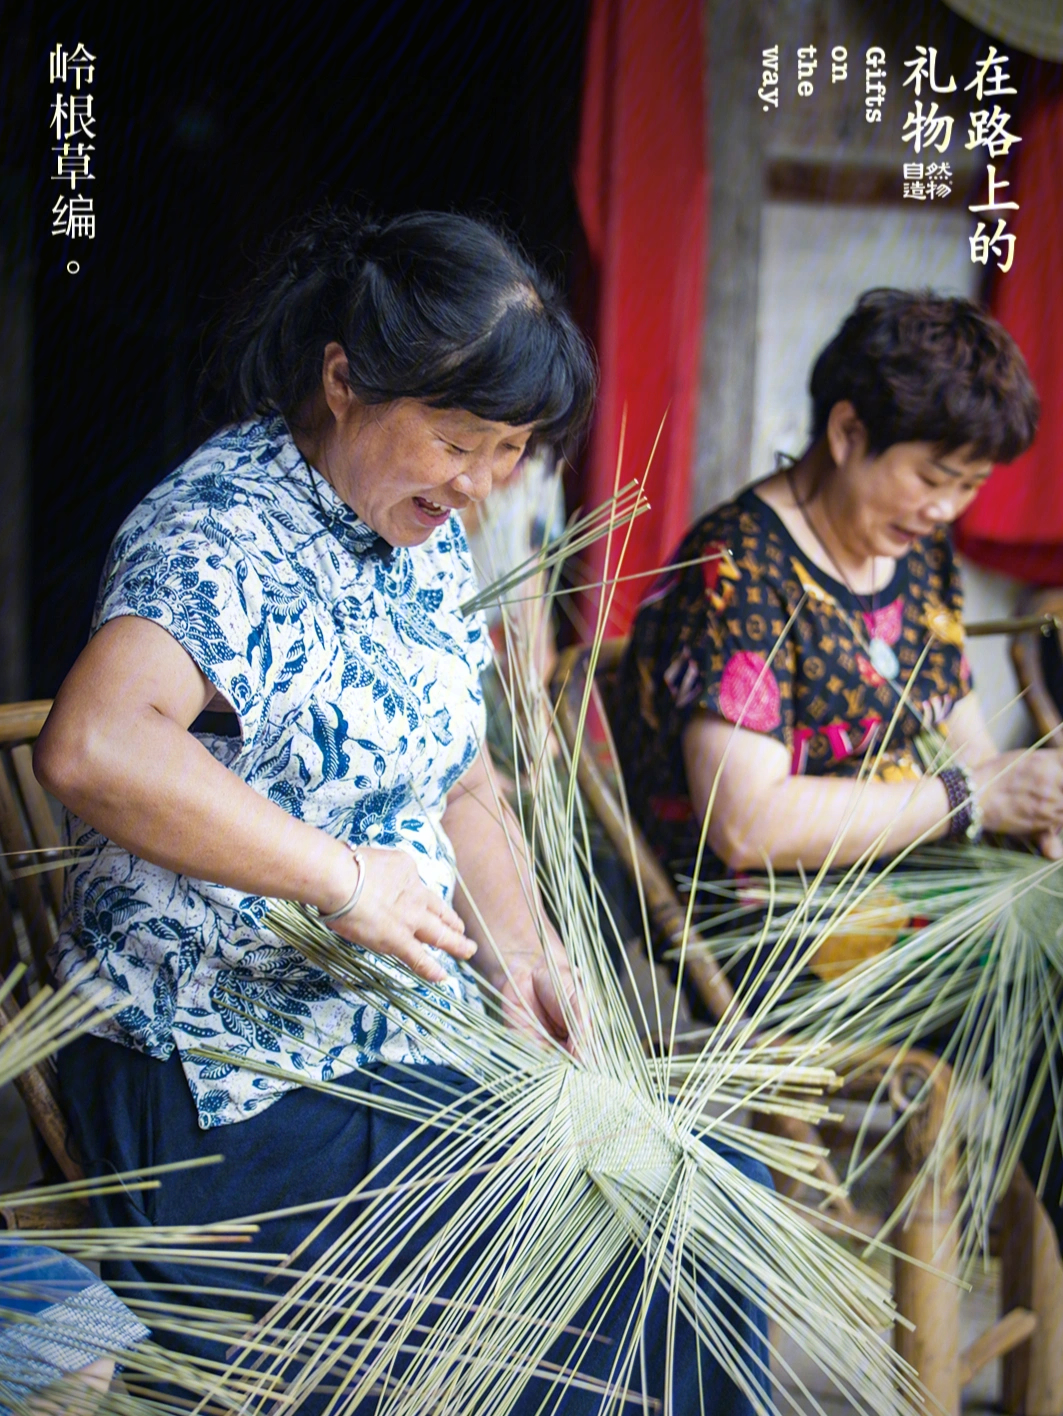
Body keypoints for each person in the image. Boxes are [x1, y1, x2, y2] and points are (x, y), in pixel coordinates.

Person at [33, 209, 768, 1413]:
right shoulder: (220, 531)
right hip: (229, 1085)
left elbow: (464, 781)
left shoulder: (418, 539)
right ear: (343, 381)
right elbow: (97, 743)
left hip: (399, 1044)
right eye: (458, 438)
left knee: (704, 1202)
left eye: (508, 450)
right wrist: (347, 878)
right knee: (594, 1284)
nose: (480, 482)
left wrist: (521, 955)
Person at [609, 286, 1063, 1244]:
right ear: (849, 431)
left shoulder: (916, 559)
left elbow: (963, 741)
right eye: (932, 475)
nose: (944, 509)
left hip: (906, 891)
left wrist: (1024, 805)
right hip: (773, 934)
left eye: (968, 487)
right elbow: (748, 824)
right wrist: (969, 797)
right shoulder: (739, 568)